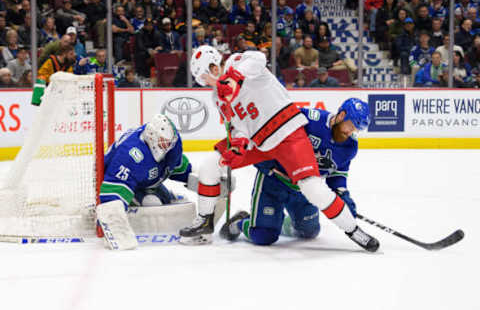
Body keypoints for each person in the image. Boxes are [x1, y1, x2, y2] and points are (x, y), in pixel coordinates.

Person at [182, 45, 379, 252]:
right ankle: (205, 220)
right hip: (257, 141)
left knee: (311, 187)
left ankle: (354, 231)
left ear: (213, 68)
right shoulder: (217, 97)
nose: (205, 83)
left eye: (204, 77)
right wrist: (239, 144)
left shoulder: (237, 62)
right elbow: (237, 125)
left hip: (287, 131)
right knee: (210, 164)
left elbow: (258, 58)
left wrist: (234, 76)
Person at [220, 99, 369, 246]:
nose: (351, 132)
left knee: (309, 232)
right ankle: (240, 222)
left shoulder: (349, 147)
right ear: (341, 115)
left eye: (356, 130)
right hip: (274, 181)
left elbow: (336, 174)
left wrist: (342, 195)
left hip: (304, 190)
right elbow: (273, 124)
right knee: (263, 236)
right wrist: (264, 157)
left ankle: (278, 222)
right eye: (350, 126)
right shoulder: (309, 119)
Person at [95, 114, 194, 250]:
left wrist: (203, 181)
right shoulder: (131, 155)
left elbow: (176, 168)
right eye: (163, 142)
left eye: (168, 143)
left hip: (145, 181)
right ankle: (131, 206)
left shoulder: (172, 145)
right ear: (152, 137)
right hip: (116, 179)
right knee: (151, 202)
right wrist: (112, 219)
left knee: (163, 201)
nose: (167, 146)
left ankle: (164, 195)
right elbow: (113, 189)